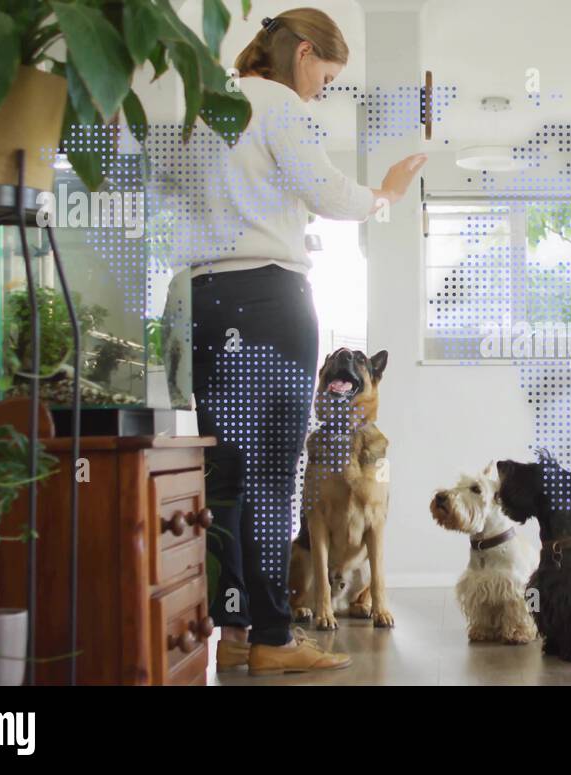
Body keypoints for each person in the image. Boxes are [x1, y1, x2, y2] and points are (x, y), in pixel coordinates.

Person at [185, 8, 425, 676]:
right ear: (302, 54)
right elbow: (329, 192)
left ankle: (232, 629)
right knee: (269, 475)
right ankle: (271, 636)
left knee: (225, 474)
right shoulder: (279, 105)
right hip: (268, 299)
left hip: (203, 299)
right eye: (327, 71)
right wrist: (386, 193)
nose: (323, 87)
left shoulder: (208, 108)